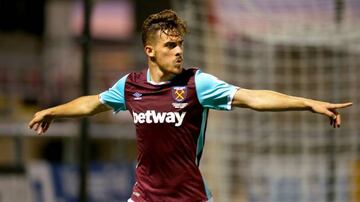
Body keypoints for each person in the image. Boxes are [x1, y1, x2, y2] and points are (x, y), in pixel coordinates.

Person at [29, 9, 352, 202]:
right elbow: (92, 104)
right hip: (146, 196)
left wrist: (308, 104)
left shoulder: (198, 84)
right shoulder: (130, 86)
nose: (179, 51)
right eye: (170, 45)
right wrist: (52, 111)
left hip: (190, 196)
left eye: (180, 44)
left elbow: (253, 98)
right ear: (150, 51)